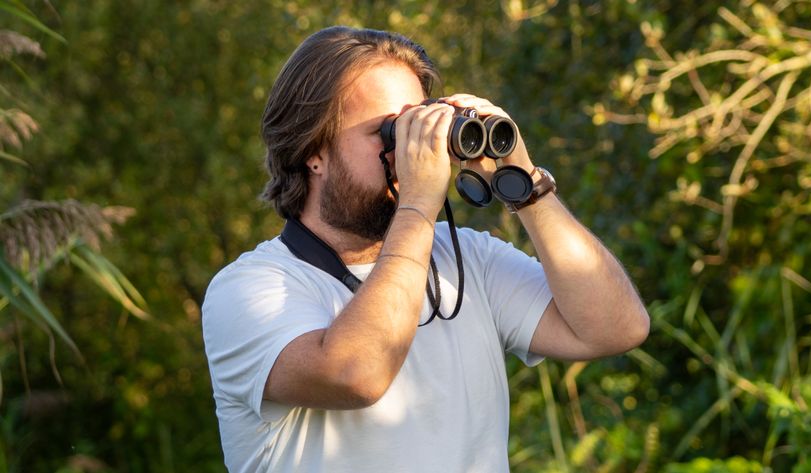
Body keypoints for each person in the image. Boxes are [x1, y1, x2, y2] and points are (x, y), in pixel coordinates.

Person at [202, 26, 650, 473]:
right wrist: (418, 203)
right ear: (312, 152)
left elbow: (616, 328)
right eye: (391, 132)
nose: (414, 151)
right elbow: (358, 374)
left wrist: (524, 181)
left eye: (421, 124)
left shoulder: (470, 260)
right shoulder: (250, 288)